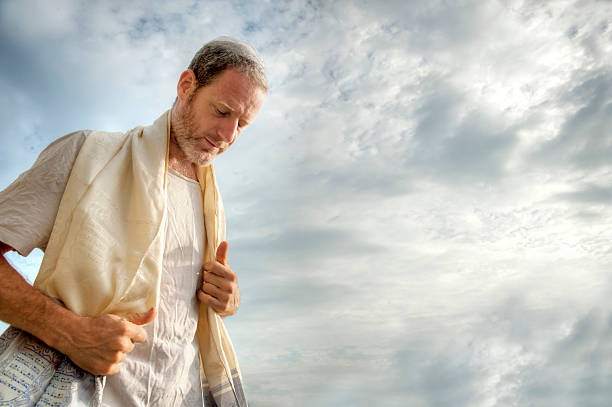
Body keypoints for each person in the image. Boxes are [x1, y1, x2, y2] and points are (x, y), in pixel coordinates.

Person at [0, 37, 267, 407]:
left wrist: (228, 300)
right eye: (222, 111)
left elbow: (181, 308)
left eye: (243, 124)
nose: (228, 136)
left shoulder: (212, 205)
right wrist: (68, 332)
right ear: (186, 86)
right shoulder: (86, 156)